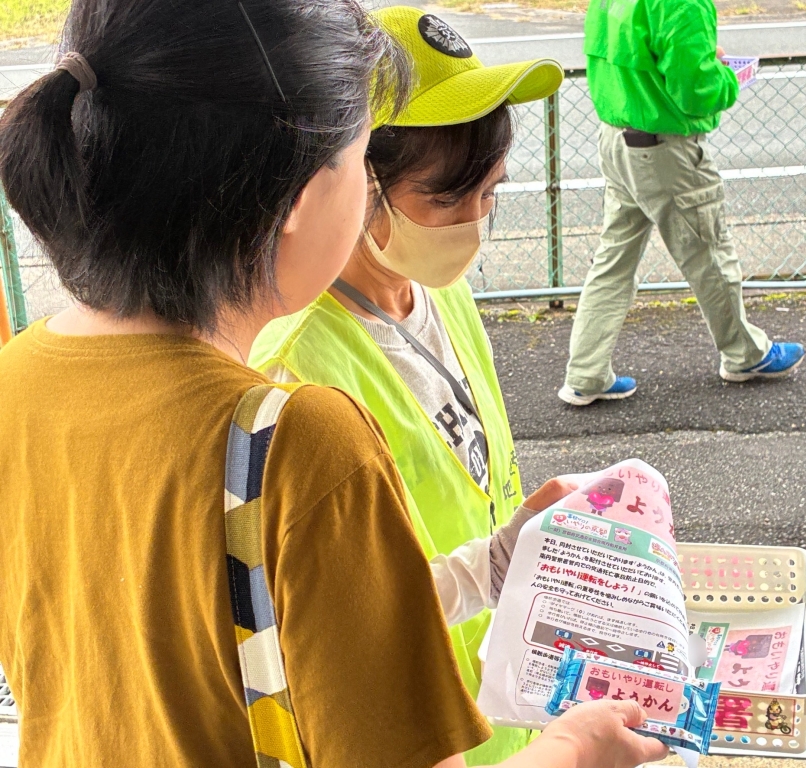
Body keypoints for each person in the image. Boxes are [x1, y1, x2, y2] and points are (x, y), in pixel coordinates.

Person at [0, 1, 669, 767]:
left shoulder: (13, 380)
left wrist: (485, 567)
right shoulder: (297, 437)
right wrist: (578, 750)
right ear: (299, 199)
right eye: (358, 159)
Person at [249, 8, 570, 764]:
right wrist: (483, 570)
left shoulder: (438, 289)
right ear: (353, 180)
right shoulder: (291, 366)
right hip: (416, 726)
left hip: (502, 688)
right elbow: (314, 622)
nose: (474, 223)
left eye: (491, 193)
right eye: (447, 200)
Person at [557, 0, 806, 406]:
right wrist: (726, 76)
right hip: (665, 149)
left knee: (614, 260)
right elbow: (696, 92)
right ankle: (746, 355)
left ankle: (586, 373)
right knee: (709, 254)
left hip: (616, 137)